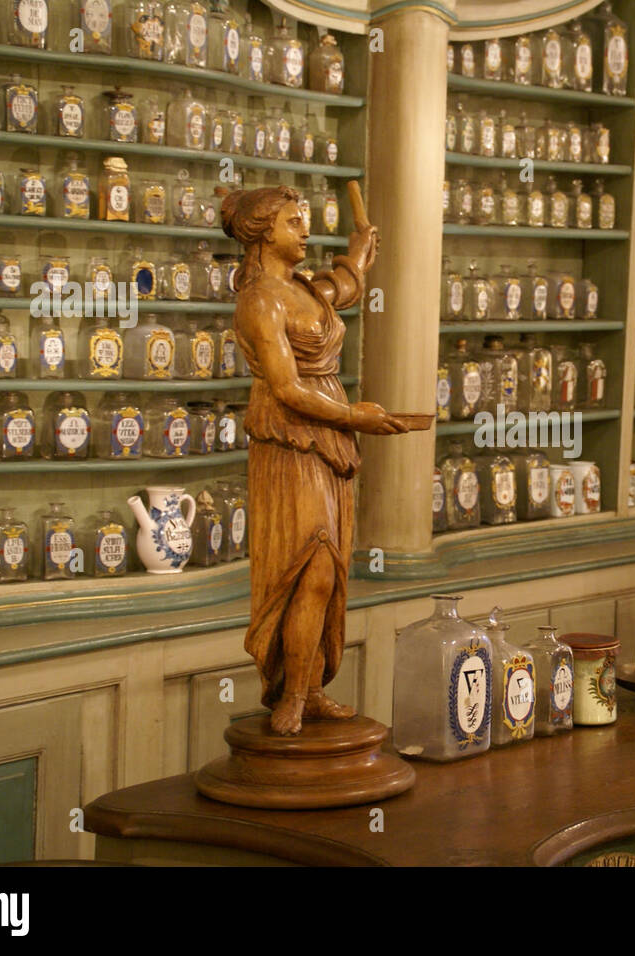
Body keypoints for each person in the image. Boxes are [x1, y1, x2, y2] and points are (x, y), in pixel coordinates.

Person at [221, 185, 408, 735]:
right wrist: (358, 418)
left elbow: (342, 286)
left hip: (326, 437)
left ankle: (310, 688)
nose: (305, 231)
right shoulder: (259, 300)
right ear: (262, 232)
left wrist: (358, 251)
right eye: (293, 222)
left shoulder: (304, 289)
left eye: (305, 221)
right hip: (290, 438)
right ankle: (291, 695)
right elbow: (284, 388)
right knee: (309, 567)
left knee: (328, 571)